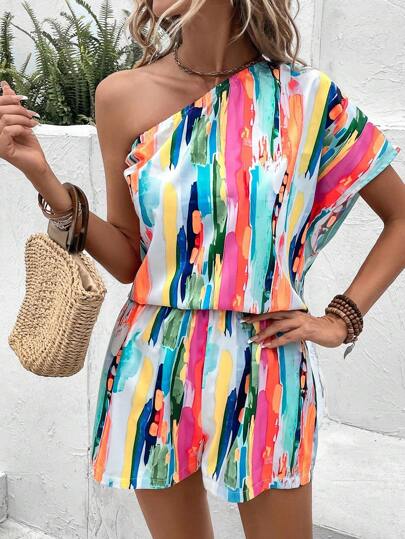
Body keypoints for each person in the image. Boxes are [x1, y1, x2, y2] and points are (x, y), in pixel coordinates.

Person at [0, 0, 403, 537]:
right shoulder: (121, 95)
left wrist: (340, 319)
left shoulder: (307, 98)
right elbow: (129, 259)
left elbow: (400, 217)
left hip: (265, 362)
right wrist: (41, 176)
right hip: (153, 358)